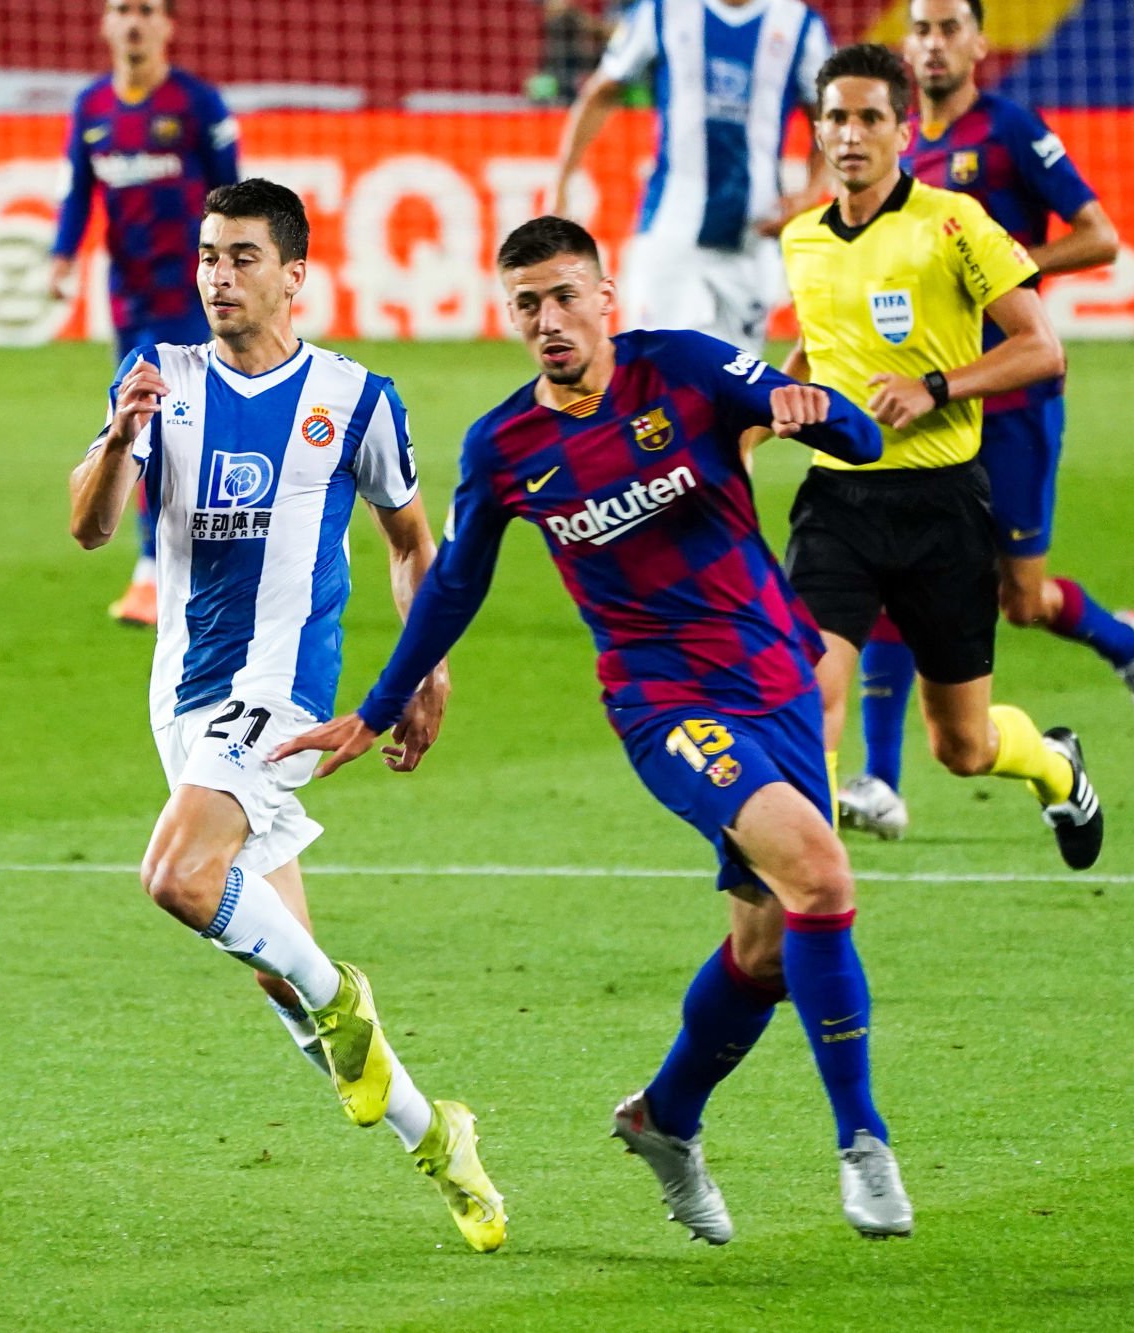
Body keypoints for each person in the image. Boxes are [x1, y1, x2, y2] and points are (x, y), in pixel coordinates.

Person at [274, 215, 914, 1243]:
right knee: (821, 875)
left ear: (607, 297)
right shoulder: (505, 447)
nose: (548, 320)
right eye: (526, 303)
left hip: (773, 675)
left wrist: (818, 414)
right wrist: (379, 706)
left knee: (759, 946)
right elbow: (453, 586)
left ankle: (663, 1118)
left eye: (566, 295)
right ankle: (862, 1143)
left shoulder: (690, 372)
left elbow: (864, 439)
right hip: (661, 703)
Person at [67, 179, 505, 1253]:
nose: (218, 276)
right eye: (210, 257)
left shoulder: (354, 399)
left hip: (280, 697)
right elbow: (87, 531)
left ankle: (340, 992)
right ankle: (435, 1136)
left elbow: (411, 544)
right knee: (277, 967)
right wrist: (119, 439)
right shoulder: (157, 382)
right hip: (182, 701)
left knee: (176, 876)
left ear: (294, 275)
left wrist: (423, 662)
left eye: (243, 258)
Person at [837, 0, 1134, 841]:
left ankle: (1124, 644)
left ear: (979, 42)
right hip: (921, 394)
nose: (932, 43)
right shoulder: (895, 144)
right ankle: (880, 779)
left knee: (1021, 600)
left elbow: (1098, 236)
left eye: (949, 26)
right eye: (919, 28)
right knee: (891, 564)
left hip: (1012, 398)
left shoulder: (1011, 131)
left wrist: (1010, 266)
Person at [778, 42, 1105, 868]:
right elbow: (815, 351)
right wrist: (748, 429)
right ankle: (814, 893)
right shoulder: (802, 240)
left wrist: (937, 385)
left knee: (961, 744)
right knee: (809, 689)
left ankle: (1055, 763)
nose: (851, 135)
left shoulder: (955, 222)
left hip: (944, 505)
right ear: (818, 132)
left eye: (870, 119)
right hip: (838, 503)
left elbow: (1042, 349)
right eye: (836, 119)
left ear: (901, 129)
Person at [53, 0, 240, 628]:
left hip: (191, 298)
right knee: (149, 424)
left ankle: (155, 571)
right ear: (106, 24)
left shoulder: (197, 104)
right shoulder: (92, 109)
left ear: (168, 26)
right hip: (128, 299)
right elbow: (80, 192)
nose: (134, 21)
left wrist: (232, 272)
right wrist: (60, 257)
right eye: (123, 9)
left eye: (147, 10)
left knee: (156, 424)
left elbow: (232, 196)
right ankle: (168, 570)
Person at [551, 0, 834, 353]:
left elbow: (828, 119)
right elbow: (602, 91)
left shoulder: (799, 25)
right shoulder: (662, 11)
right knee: (649, 373)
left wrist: (811, 193)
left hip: (752, 235)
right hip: (670, 234)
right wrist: (562, 184)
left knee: (733, 390)